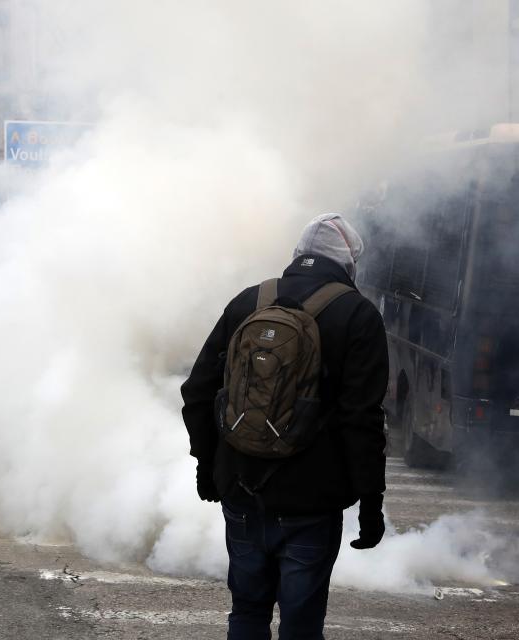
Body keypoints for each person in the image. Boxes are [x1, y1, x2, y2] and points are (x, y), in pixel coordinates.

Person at [181, 213, 389, 640]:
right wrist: (371, 504)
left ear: (296, 256)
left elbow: (197, 392)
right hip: (312, 504)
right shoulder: (359, 316)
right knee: (301, 624)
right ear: (350, 265)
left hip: (240, 491)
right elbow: (362, 421)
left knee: (247, 613)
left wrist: (208, 469)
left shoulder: (247, 302)